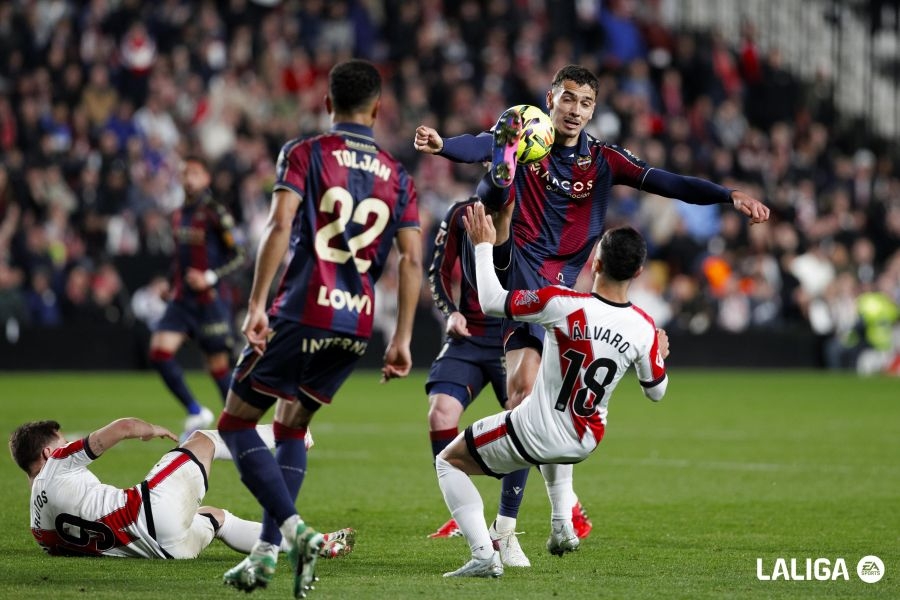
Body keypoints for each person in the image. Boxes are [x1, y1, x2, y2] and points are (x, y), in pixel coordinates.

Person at [414, 64, 769, 539]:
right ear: (551, 98)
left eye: (585, 103)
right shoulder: (530, 130)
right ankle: (512, 527)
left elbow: (668, 181)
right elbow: (479, 143)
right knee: (500, 188)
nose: (575, 110)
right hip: (519, 267)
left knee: (527, 398)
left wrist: (728, 195)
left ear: (593, 109)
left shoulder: (604, 159)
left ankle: (531, 520)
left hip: (560, 290)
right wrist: (444, 145)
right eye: (567, 99)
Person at [216, 59, 422, 598]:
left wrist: (256, 304)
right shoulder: (399, 175)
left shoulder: (305, 152)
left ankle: (295, 533)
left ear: (327, 103)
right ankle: (265, 553)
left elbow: (279, 224)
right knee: (289, 427)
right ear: (378, 109)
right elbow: (410, 260)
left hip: (304, 310)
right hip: (356, 323)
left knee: (236, 424)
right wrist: (401, 338)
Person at [436, 205, 669, 578]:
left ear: (595, 263)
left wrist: (482, 246)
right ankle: (562, 523)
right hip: (585, 440)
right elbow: (656, 392)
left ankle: (483, 554)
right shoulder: (643, 326)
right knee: (555, 416)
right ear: (638, 272)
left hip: (537, 436)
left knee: (448, 461)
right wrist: (660, 354)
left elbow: (493, 302)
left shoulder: (561, 303)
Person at [9, 417, 354, 563]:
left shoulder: (39, 531)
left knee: (217, 518)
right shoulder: (57, 463)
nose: (66, 445)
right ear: (47, 453)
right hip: (150, 512)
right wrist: (147, 429)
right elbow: (123, 427)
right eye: (62, 442)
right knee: (203, 440)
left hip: (163, 550)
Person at [425, 196, 530, 566]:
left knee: (523, 419)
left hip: (511, 334)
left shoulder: (533, 208)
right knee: (440, 413)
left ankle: (507, 527)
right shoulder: (462, 213)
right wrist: (450, 313)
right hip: (468, 336)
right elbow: (437, 271)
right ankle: (462, 516)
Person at [148, 156, 246, 440]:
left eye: (194, 173)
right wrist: (170, 283)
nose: (188, 178)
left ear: (206, 178)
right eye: (184, 173)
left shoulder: (216, 212)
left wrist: (209, 277)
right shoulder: (179, 214)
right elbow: (180, 258)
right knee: (159, 352)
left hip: (210, 301)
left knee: (217, 367)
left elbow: (240, 255)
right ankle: (196, 410)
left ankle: (239, 425)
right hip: (181, 299)